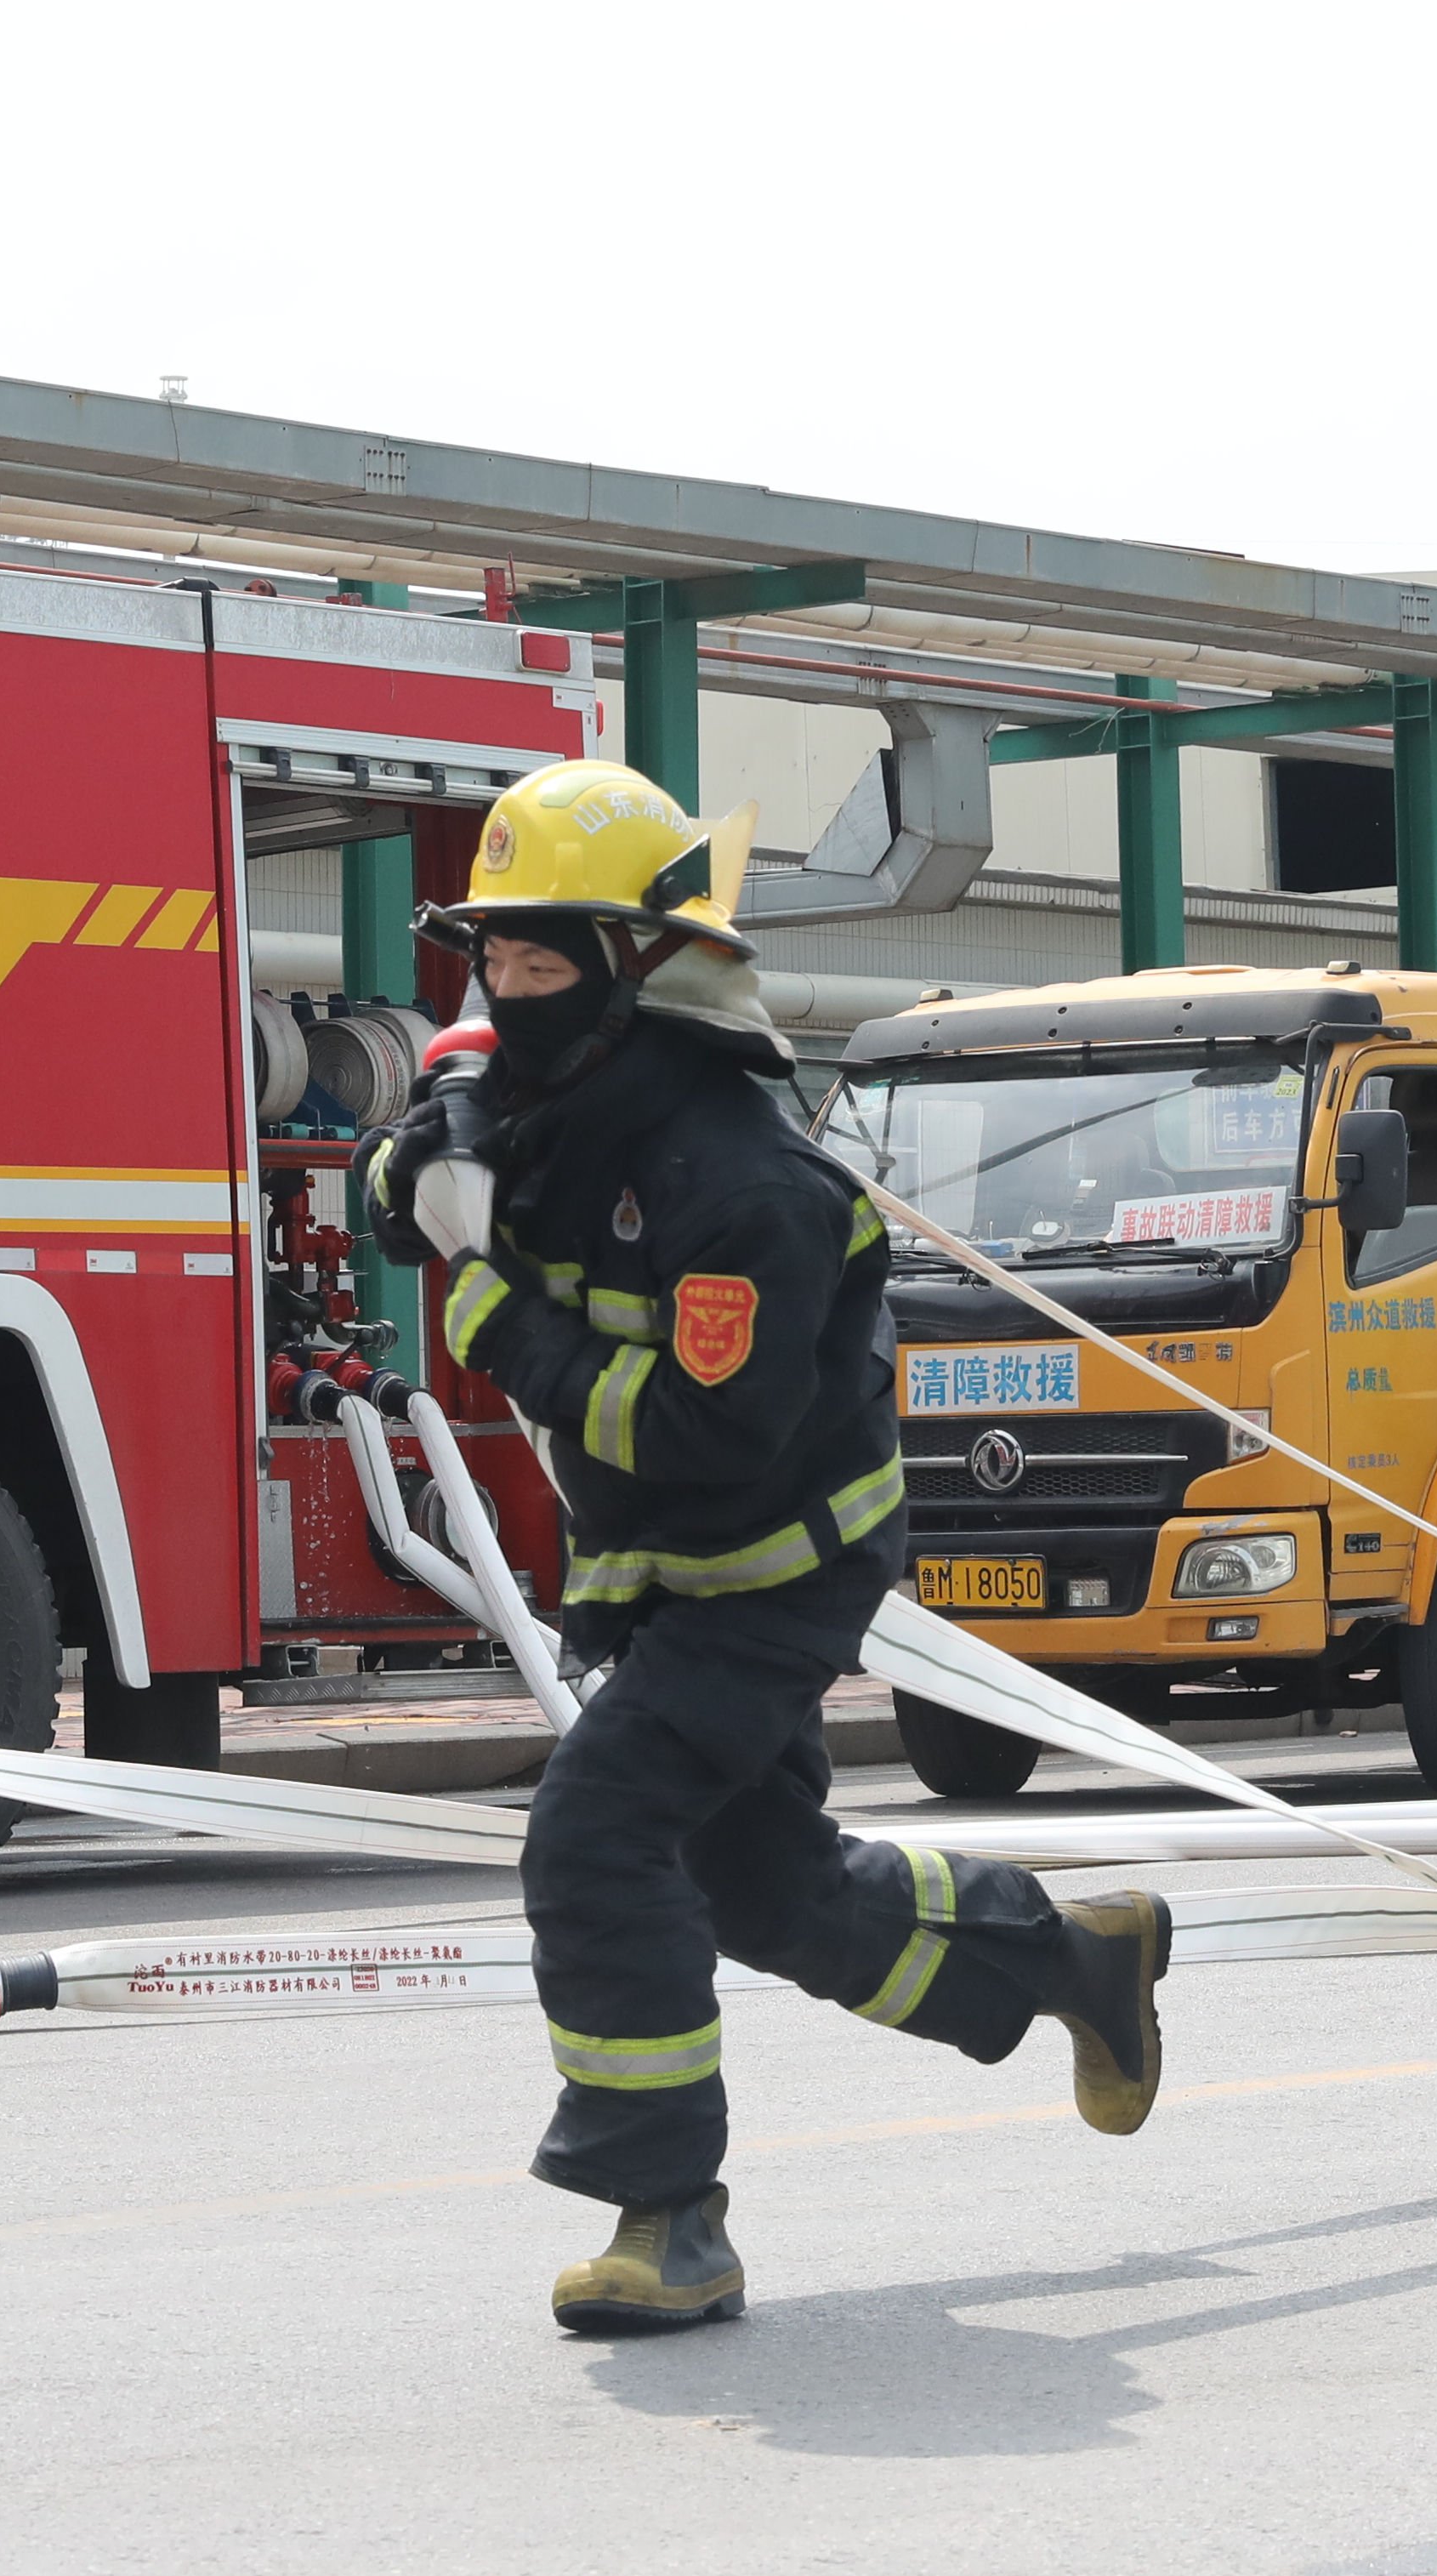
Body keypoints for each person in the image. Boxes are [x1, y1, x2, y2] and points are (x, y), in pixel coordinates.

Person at [361, 759, 1169, 2337]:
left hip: (772, 1575)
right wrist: (437, 1130)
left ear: (635, 970)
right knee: (766, 1887)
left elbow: (696, 1439)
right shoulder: (558, 1093)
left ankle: (670, 2219)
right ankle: (1070, 1960)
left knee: (596, 1844)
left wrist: (487, 1311)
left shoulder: (746, 1188)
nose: (505, 991)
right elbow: (421, 1180)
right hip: (660, 1581)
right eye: (494, 962)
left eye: (539, 961)